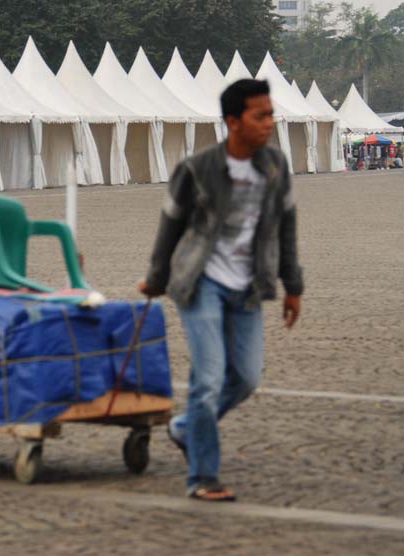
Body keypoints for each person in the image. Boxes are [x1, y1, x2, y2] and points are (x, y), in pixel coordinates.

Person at [139, 79, 303, 502]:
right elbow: (169, 226)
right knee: (208, 377)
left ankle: (184, 427)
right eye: (260, 115)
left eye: (271, 114)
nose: (270, 122)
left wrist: (293, 286)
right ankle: (203, 477)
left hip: (248, 286)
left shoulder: (275, 167)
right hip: (200, 283)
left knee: (246, 378)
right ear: (233, 121)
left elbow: (286, 226)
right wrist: (156, 279)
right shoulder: (197, 168)